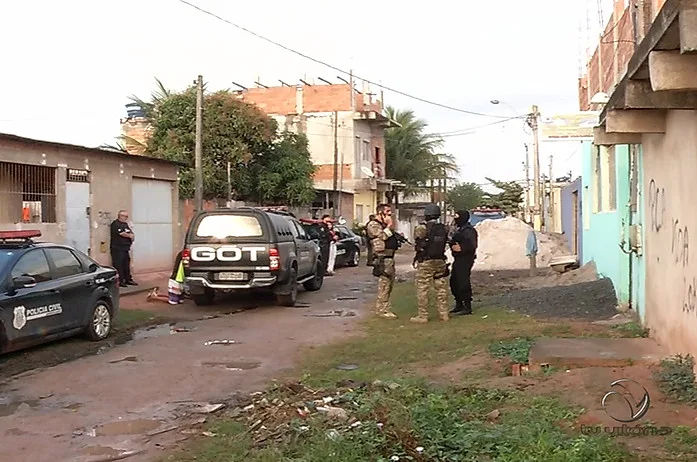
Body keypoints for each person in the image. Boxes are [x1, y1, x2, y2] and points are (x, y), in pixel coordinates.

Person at [411, 204, 450, 323]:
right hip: (441, 261)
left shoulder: (422, 228)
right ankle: (444, 314)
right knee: (441, 288)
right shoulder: (443, 228)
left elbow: (417, 240)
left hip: (427, 261)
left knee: (423, 288)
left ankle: (423, 316)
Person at [366, 204, 398, 319]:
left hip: (389, 257)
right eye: (387, 211)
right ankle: (382, 310)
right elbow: (382, 236)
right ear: (380, 213)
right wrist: (389, 225)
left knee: (389, 284)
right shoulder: (373, 225)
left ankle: (385, 307)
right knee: (384, 284)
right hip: (382, 259)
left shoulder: (384, 225)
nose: (390, 214)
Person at [449, 210, 478, 315]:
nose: (455, 219)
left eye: (457, 217)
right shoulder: (460, 229)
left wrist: (461, 248)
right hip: (458, 259)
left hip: (466, 259)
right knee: (454, 281)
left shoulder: (469, 230)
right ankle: (459, 304)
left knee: (463, 282)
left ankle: (467, 306)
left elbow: (472, 246)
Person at [110, 210, 137, 286]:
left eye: (127, 216)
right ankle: (120, 281)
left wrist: (131, 235)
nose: (126, 218)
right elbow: (122, 233)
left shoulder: (125, 224)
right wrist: (129, 236)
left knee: (126, 264)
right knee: (119, 265)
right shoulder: (115, 224)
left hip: (125, 248)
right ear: (120, 216)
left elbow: (130, 233)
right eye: (125, 216)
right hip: (118, 248)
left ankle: (128, 279)